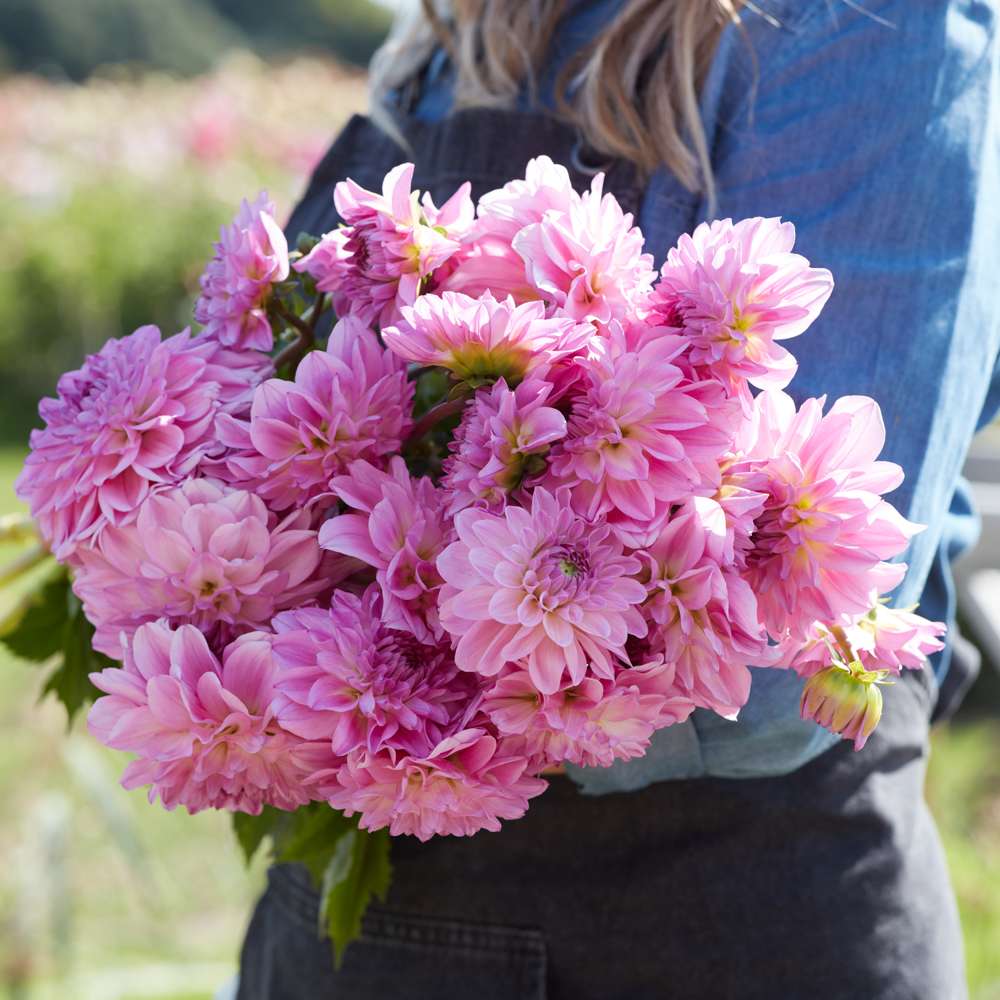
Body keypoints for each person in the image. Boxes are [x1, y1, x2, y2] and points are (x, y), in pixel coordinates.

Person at [236, 1, 1000, 997]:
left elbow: (779, 672)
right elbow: (257, 413)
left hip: (705, 928)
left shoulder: (865, 23)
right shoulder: (454, 24)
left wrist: (366, 684)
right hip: (360, 936)